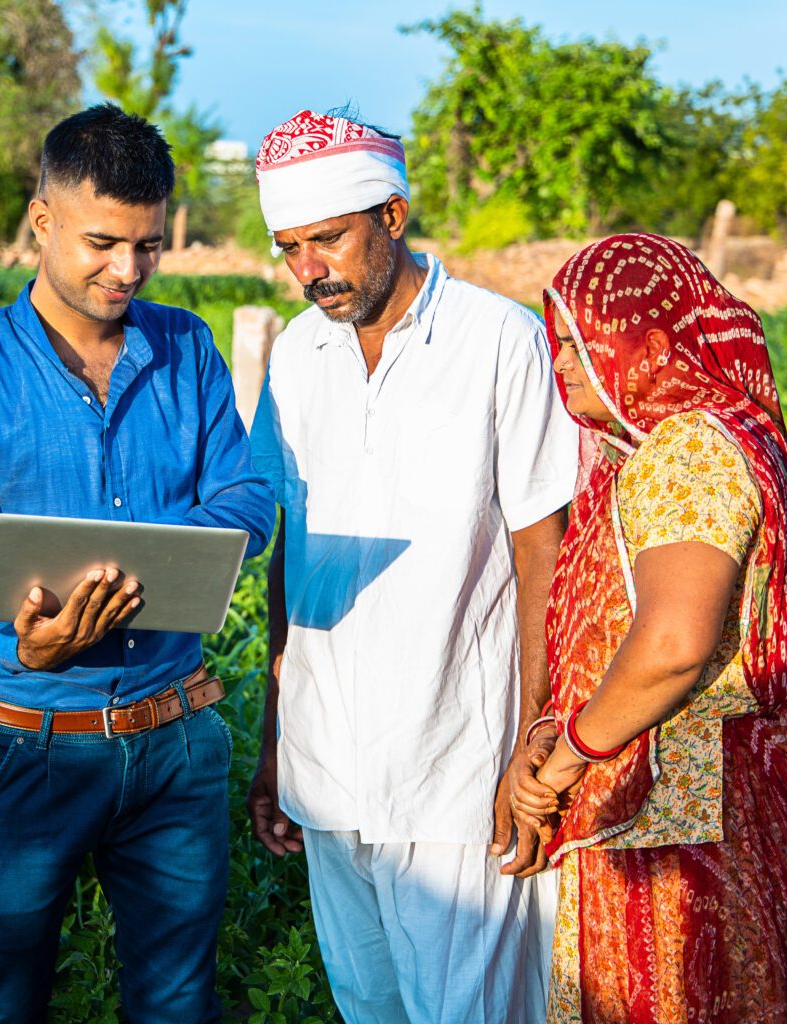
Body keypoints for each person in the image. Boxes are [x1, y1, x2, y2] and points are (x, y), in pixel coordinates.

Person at [0, 104, 276, 1024]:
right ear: (42, 221)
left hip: (175, 741)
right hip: (22, 743)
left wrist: (187, 551)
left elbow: (244, 493)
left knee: (179, 999)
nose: (127, 270)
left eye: (148, 247)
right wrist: (18, 640)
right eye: (104, 242)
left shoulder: (188, 347)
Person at [512, 233, 787, 1023]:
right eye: (554, 342)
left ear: (651, 345)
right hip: (729, 792)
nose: (557, 364)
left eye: (577, 343)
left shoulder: (688, 449)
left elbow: (672, 646)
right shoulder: (731, 432)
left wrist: (564, 762)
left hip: (680, 813)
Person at [246, 108, 580, 1023]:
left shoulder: (498, 339)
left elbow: (541, 547)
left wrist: (539, 735)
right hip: (326, 764)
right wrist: (275, 736)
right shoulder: (297, 355)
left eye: (329, 239)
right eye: (289, 248)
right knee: (368, 1004)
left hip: (457, 766)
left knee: (469, 1011)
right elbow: (289, 548)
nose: (310, 269)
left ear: (391, 217)